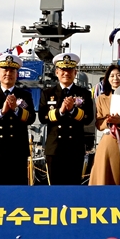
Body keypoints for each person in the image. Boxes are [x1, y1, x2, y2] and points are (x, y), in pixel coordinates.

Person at [0, 53, 36, 185]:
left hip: (18, 151)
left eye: (12, 71)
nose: (8, 74)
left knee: (18, 188)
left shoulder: (25, 95)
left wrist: (16, 109)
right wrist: (2, 112)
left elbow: (31, 118)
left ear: (16, 74)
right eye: (5, 70)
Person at [39, 53, 94, 185]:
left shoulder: (84, 93)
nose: (66, 73)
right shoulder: (48, 93)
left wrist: (73, 110)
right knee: (55, 187)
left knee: (73, 187)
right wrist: (61, 111)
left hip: (75, 148)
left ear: (75, 72)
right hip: (54, 148)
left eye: (69, 70)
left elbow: (88, 118)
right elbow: (42, 117)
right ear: (57, 72)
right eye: (63, 70)